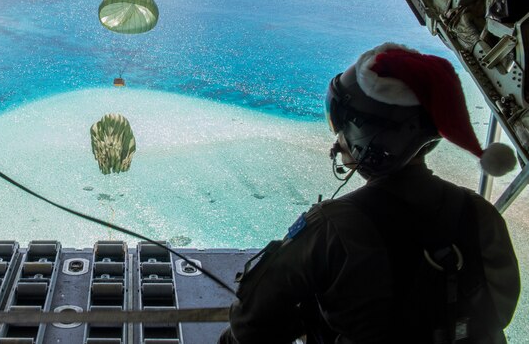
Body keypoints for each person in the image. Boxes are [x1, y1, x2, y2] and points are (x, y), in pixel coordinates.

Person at [218, 43, 520, 344]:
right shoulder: (480, 213)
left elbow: (250, 326)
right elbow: (499, 312)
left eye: (341, 123)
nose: (339, 138)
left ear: (368, 136)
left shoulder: (330, 227)